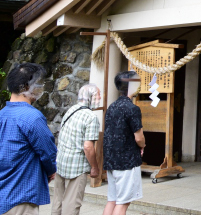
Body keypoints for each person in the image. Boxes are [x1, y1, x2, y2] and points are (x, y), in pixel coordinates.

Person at [0, 62, 57, 215]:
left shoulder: (2, 114)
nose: (41, 87)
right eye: (38, 83)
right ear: (25, 87)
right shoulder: (32, 116)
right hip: (20, 195)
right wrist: (51, 170)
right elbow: (48, 151)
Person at [52, 84, 102, 215]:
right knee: (72, 203)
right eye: (98, 96)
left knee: (58, 200)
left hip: (61, 161)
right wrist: (94, 167)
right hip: (77, 165)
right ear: (91, 98)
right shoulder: (91, 117)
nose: (100, 99)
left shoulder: (71, 110)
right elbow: (88, 146)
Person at [102, 71, 145, 215]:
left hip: (111, 158)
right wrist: (142, 146)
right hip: (126, 160)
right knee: (122, 203)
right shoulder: (132, 108)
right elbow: (139, 137)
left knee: (112, 200)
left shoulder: (111, 107)